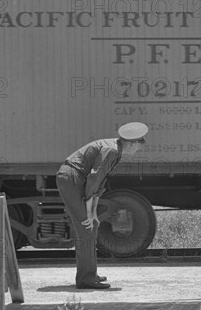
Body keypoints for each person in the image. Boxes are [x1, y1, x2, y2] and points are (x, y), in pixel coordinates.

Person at [56, 122, 149, 289]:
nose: (137, 151)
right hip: (71, 179)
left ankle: (90, 273)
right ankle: (85, 279)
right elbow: (93, 179)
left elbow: (99, 183)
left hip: (77, 179)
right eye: (138, 147)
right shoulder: (111, 150)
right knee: (86, 226)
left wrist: (94, 214)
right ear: (132, 143)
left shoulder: (116, 150)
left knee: (94, 224)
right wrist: (89, 213)